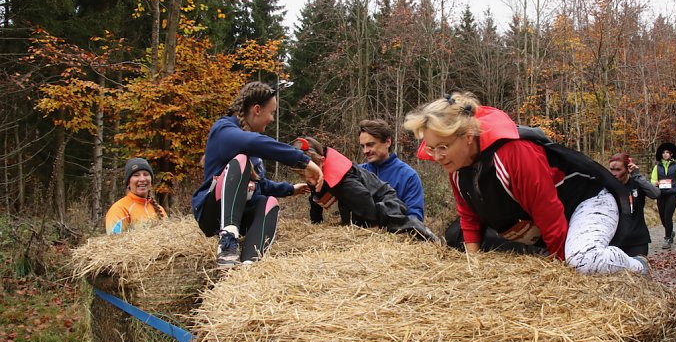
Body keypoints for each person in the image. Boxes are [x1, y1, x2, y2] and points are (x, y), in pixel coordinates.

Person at [402, 92, 646, 275]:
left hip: (586, 202)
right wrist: (472, 266)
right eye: (431, 149)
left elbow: (549, 213)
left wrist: (563, 276)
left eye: (442, 147)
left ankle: (637, 265)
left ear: (467, 137)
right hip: (544, 220)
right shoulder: (456, 164)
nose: (437, 156)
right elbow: (469, 215)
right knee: (456, 237)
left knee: (581, 261)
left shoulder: (514, 154)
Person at [191, 81, 323, 269]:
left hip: (243, 214)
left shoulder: (251, 146)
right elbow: (254, 143)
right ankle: (227, 243)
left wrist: (290, 189)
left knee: (269, 202)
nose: (272, 119)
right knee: (241, 161)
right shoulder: (223, 130)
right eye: (272, 113)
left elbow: (260, 185)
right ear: (257, 110)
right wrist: (303, 161)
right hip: (213, 213)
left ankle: (250, 264)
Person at [293, 136, 436, 240]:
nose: (307, 179)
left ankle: (415, 227)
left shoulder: (345, 182)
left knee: (382, 216)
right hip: (365, 203)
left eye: (309, 173)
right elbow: (316, 198)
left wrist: (354, 231)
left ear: (322, 162)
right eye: (301, 175)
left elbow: (366, 205)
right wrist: (315, 226)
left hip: (388, 205)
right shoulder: (315, 172)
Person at [358, 119, 425, 221]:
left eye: (370, 144)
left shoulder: (408, 176)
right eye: (363, 146)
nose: (365, 151)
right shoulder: (358, 173)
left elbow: (415, 219)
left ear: (387, 142)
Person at [608, 153, 659, 257]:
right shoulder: (608, 187)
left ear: (627, 169)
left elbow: (655, 194)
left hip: (637, 240)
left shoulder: (637, 183)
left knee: (639, 267)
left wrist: (637, 175)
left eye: (618, 170)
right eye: (612, 170)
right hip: (615, 242)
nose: (614, 174)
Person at [105, 157, 167, 234]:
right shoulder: (119, 210)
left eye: (146, 174)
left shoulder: (160, 210)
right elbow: (114, 240)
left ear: (151, 181)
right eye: (136, 175)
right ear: (128, 182)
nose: (142, 179)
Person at [650, 142, 676, 249]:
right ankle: (670, 232)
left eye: (667, 152)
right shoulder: (657, 167)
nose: (665, 154)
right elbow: (652, 180)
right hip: (661, 194)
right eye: (663, 153)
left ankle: (667, 238)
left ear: (671, 154)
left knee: (667, 215)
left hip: (672, 194)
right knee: (662, 217)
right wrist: (654, 183)